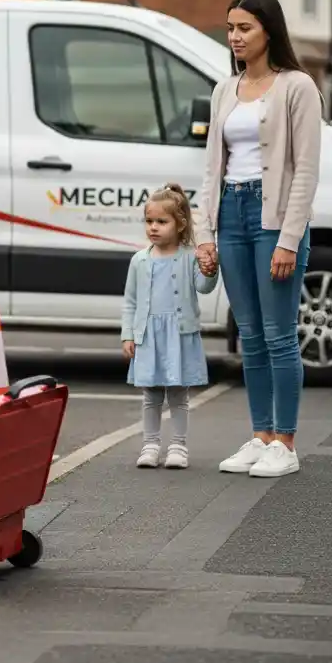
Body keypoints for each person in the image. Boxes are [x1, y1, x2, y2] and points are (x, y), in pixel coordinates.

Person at [195, 0, 323, 479]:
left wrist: (289, 238)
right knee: (248, 335)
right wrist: (204, 233)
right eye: (230, 28)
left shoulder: (297, 87)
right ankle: (261, 435)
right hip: (231, 214)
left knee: (278, 334)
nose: (235, 37)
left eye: (244, 28)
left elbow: (306, 170)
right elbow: (211, 168)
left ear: (269, 30)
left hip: (273, 220)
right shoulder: (225, 89)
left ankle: (285, 444)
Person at [121, 183, 218, 470]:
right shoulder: (139, 260)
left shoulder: (189, 257)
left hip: (179, 334)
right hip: (148, 336)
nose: (153, 227)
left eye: (161, 222)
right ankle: (150, 444)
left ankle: (178, 446)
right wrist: (128, 334)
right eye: (149, 221)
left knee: (178, 394)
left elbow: (204, 286)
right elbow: (130, 302)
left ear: (180, 224)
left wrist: (210, 270)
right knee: (151, 395)